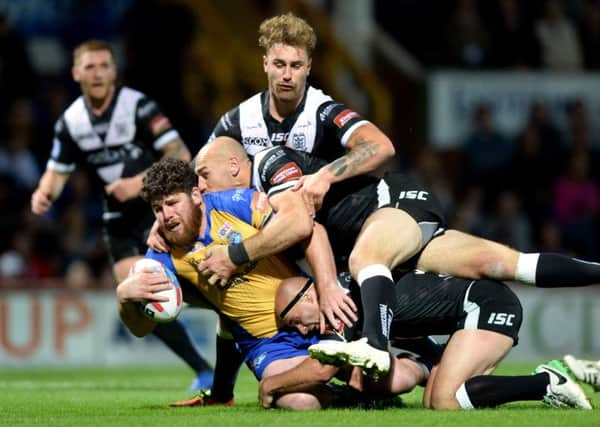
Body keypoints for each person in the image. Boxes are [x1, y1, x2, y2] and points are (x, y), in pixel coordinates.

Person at [190, 137, 600, 376]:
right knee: (506, 265)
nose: (202, 188)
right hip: (399, 229)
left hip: (393, 205)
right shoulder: (238, 212)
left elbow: (302, 224)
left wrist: (237, 254)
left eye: (204, 176)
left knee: (366, 260)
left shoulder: (268, 163)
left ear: (233, 164)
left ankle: (375, 345)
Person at [29, 39, 213, 392]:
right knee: (135, 292)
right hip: (118, 220)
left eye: (103, 66)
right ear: (75, 73)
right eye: (89, 66)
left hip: (158, 212)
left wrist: (136, 183)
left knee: (197, 284)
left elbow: (180, 153)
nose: (97, 73)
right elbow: (56, 170)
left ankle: (237, 325)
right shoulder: (71, 121)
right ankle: (202, 368)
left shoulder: (138, 107)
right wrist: (43, 193)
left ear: (114, 71)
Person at [119, 157, 356, 409]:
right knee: (300, 401)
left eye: (172, 203)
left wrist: (329, 287)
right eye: (158, 209)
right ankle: (348, 398)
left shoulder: (234, 204)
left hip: (310, 310)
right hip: (267, 344)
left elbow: (309, 228)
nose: (166, 215)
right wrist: (124, 299)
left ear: (196, 195)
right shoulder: (161, 254)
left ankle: (360, 387)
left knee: (392, 378)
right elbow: (142, 328)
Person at [271, 272, 592, 410]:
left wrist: (269, 387)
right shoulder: (347, 291)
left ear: (310, 295)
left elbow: (320, 371)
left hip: (486, 304)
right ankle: (544, 382)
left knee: (446, 401)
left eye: (295, 319)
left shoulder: (338, 300)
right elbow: (413, 332)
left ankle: (546, 382)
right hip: (474, 308)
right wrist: (437, 360)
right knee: (433, 402)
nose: (301, 330)